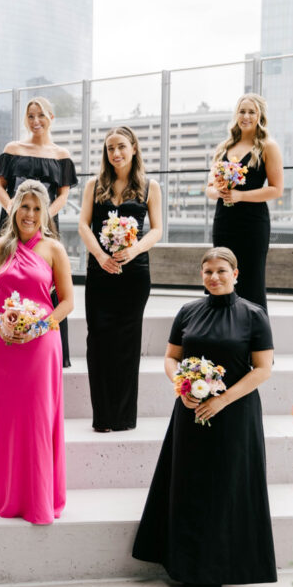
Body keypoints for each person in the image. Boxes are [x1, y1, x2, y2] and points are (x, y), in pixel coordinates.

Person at [132, 247, 276, 587]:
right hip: (190, 410)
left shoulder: (253, 315)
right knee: (190, 484)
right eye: (208, 271)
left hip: (234, 415)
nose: (214, 277)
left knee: (225, 488)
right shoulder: (187, 311)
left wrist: (222, 400)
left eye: (221, 271)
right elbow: (171, 357)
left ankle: (217, 568)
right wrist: (182, 386)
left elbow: (263, 369)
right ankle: (185, 566)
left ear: (236, 274)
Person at [0, 180, 74, 525]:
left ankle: (36, 497)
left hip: (40, 346)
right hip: (3, 345)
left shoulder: (53, 250)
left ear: (44, 212)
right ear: (14, 208)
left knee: (35, 420)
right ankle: (3, 493)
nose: (30, 214)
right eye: (25, 207)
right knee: (4, 418)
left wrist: (40, 326)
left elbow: (67, 302)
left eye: (37, 208)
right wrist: (0, 324)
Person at [78, 127, 162, 432]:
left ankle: (124, 417)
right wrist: (101, 257)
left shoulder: (150, 186)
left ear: (134, 148)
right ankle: (102, 417)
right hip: (99, 272)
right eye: (110, 148)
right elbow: (84, 226)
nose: (116, 153)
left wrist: (135, 248)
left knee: (127, 343)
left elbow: (156, 229)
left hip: (134, 273)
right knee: (98, 341)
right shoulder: (94, 185)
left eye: (122, 147)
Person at [0, 97, 78, 367]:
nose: (36, 120)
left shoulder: (61, 155)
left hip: (46, 222)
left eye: (41, 115)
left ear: (52, 117)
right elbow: (0, 187)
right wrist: (15, 211)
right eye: (30, 116)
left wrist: (43, 216)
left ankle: (49, 347)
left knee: (47, 282)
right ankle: (5, 330)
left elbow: (63, 195)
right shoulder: (13, 149)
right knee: (6, 276)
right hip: (12, 221)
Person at [205, 93, 283, 311]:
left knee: (251, 280)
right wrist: (219, 192)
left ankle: (256, 340)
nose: (246, 116)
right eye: (242, 111)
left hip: (253, 224)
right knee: (220, 275)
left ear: (260, 116)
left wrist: (240, 196)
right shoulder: (224, 147)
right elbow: (209, 189)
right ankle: (221, 334)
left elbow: (276, 189)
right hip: (224, 222)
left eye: (251, 112)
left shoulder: (268, 146)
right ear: (236, 115)